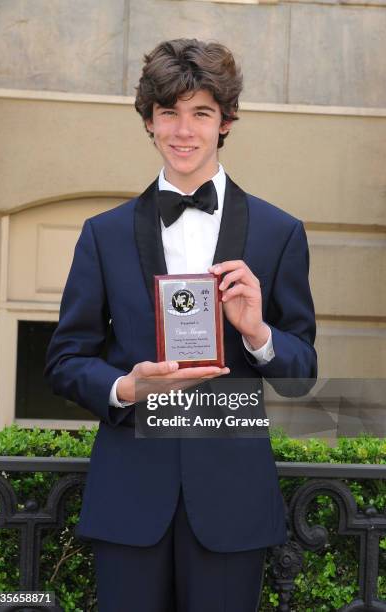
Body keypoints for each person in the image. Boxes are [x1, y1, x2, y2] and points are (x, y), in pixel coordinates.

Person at [45, 38, 317, 612]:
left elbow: (301, 373)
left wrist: (258, 333)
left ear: (226, 122)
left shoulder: (279, 232)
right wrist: (127, 386)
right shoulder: (104, 233)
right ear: (149, 121)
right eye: (168, 113)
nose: (183, 130)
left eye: (201, 113)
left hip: (233, 502)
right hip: (129, 497)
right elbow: (66, 361)